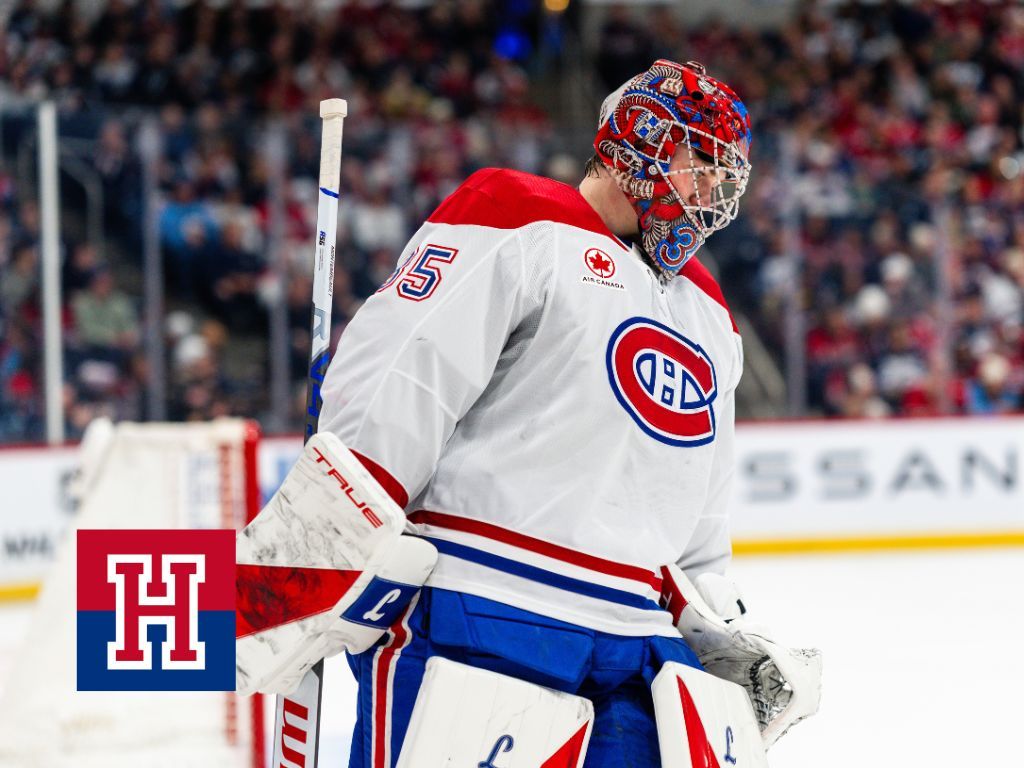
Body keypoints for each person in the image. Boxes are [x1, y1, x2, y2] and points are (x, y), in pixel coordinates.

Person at [313, 58, 778, 768]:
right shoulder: (518, 212)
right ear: (639, 145)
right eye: (699, 165)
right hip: (486, 608)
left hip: (639, 650)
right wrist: (333, 528)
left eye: (724, 178)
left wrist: (713, 626)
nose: (711, 193)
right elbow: (405, 374)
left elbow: (700, 503)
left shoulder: (708, 309)